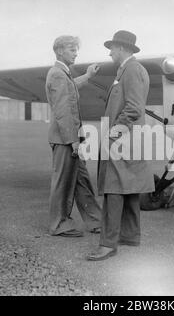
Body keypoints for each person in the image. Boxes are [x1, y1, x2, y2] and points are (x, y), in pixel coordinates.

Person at [87, 30, 155, 261]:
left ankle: (108, 244)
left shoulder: (132, 70)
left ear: (123, 48)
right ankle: (129, 236)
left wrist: (115, 130)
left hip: (123, 139)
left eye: (112, 47)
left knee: (113, 189)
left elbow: (134, 107)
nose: (109, 52)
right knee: (130, 187)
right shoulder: (128, 70)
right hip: (129, 139)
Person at [45, 35, 101, 237]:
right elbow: (62, 111)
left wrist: (88, 75)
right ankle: (59, 225)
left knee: (82, 181)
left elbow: (71, 87)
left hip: (67, 138)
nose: (76, 53)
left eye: (76, 49)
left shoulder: (62, 73)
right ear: (60, 51)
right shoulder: (58, 74)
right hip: (65, 139)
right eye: (72, 49)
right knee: (63, 182)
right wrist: (73, 141)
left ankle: (96, 221)